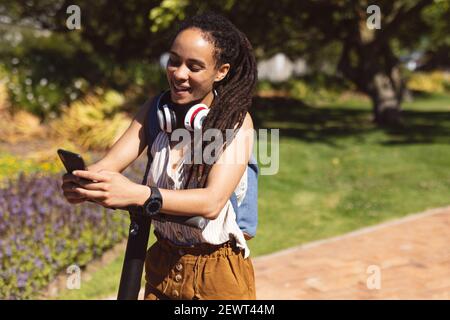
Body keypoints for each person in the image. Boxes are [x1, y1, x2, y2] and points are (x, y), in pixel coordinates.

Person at [61, 11, 258, 300]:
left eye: (194, 66)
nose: (179, 73)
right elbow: (108, 167)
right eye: (174, 61)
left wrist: (140, 194)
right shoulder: (155, 110)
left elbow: (212, 202)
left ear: (221, 71)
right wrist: (84, 183)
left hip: (216, 274)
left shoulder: (237, 123)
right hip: (162, 265)